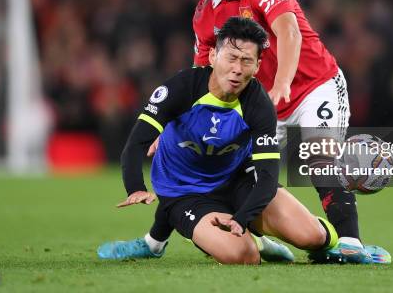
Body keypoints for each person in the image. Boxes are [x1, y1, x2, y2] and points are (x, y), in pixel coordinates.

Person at [98, 18, 339, 264]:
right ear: (213, 56)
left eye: (246, 61)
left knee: (312, 236)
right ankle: (255, 242)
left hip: (237, 180)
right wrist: (135, 187)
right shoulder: (181, 88)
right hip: (184, 192)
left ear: (257, 66)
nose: (237, 69)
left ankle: (340, 245)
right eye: (231, 58)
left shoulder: (258, 104)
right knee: (244, 255)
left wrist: (241, 219)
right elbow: (136, 143)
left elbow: (267, 177)